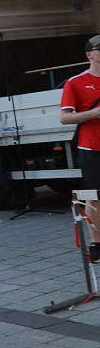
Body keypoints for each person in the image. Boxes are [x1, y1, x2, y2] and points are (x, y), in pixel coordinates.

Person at [61, 34, 100, 260]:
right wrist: (94, 113)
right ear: (89, 55)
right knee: (94, 196)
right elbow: (64, 118)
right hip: (91, 147)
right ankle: (96, 243)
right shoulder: (75, 82)